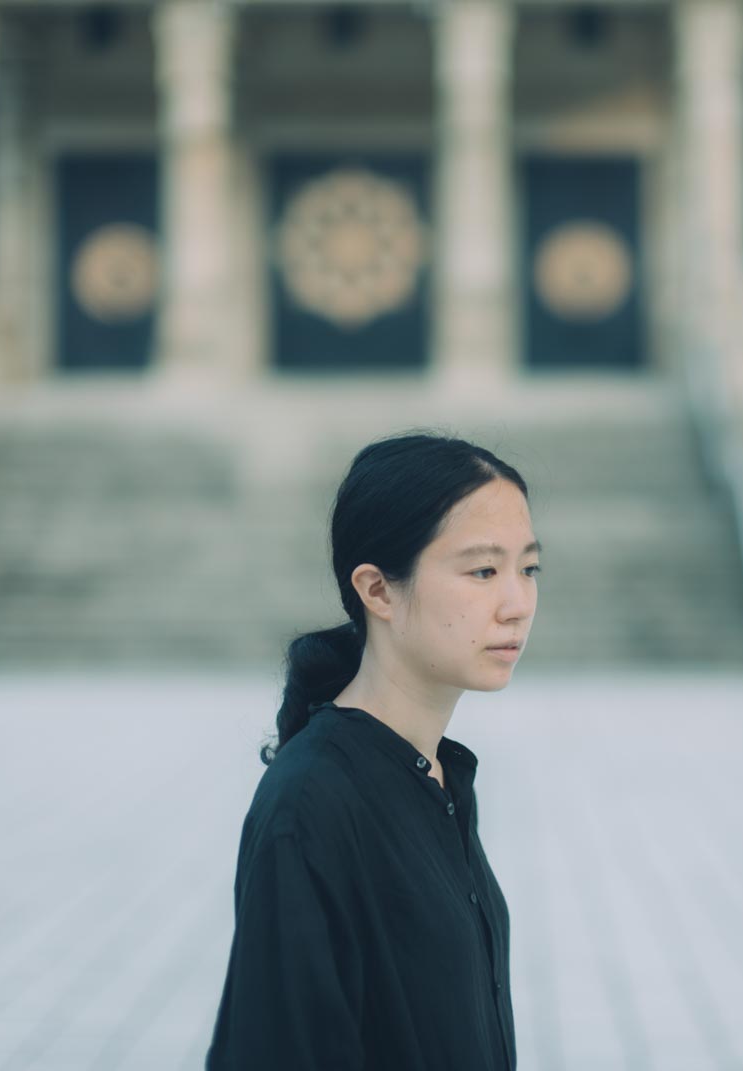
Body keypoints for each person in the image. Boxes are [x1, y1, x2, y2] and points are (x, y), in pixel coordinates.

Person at [204, 430, 539, 1071]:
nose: (517, 604)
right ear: (379, 590)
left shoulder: (440, 776)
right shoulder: (314, 806)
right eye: (483, 571)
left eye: (528, 568)